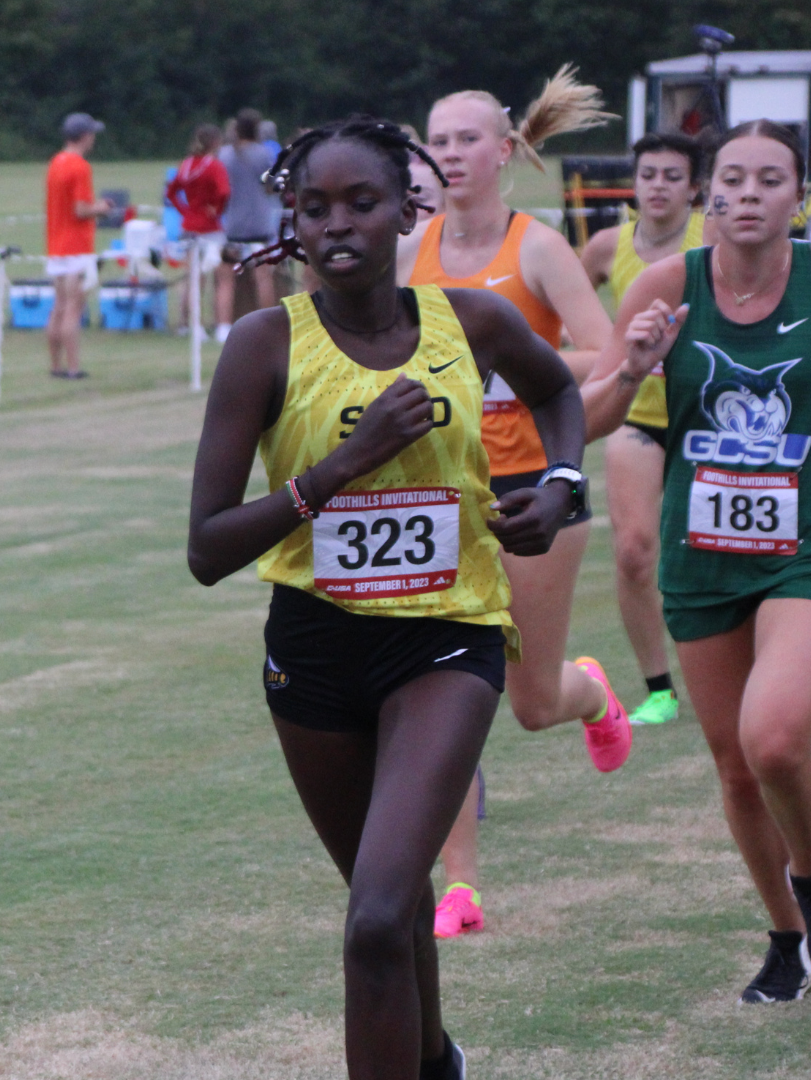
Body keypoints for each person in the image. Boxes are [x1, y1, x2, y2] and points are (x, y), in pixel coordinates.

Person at [188, 116, 586, 1080]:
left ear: (408, 211)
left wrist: (562, 488)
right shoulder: (262, 343)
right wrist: (345, 465)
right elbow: (206, 549)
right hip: (315, 653)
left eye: (360, 203)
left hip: (446, 641)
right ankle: (436, 1062)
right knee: (395, 910)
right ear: (290, 222)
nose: (337, 226)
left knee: (374, 921)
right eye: (314, 207)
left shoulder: (470, 324)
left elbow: (560, 394)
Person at [584, 121, 811, 1002]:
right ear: (708, 195)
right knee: (735, 766)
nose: (748, 194)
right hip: (702, 553)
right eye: (733, 180)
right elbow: (595, 415)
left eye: (770, 179)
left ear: (798, 196)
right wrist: (635, 363)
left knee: (777, 738)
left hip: (800, 551)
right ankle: (787, 941)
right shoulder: (669, 282)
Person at [401, 69, 626, 940]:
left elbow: (604, 362)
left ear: (504, 151)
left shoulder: (536, 247)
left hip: (536, 491)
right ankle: (460, 886)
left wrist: (509, 360)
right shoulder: (406, 248)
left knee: (530, 703)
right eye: (438, 140)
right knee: (437, 687)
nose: (450, 154)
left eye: (466, 140)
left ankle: (592, 694)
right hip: (437, 494)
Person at [578, 133, 711, 728]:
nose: (658, 185)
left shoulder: (712, 237)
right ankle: (659, 689)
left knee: (715, 554)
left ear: (695, 188)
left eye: (672, 175)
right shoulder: (605, 246)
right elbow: (577, 335)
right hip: (637, 417)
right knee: (634, 552)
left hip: (707, 419)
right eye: (648, 174)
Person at [45, 112, 111, 379]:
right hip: (77, 247)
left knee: (59, 307)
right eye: (92, 133)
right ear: (84, 136)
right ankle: (73, 368)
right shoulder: (80, 166)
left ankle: (55, 365)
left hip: (56, 245)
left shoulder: (56, 162)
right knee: (74, 308)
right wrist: (102, 208)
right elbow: (81, 209)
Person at [167, 123, 231, 340]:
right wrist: (217, 210)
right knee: (223, 279)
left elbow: (172, 191)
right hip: (211, 228)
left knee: (195, 279)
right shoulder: (214, 165)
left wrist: (184, 211)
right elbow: (224, 191)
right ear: (215, 143)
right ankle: (223, 326)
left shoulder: (185, 164)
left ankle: (196, 327)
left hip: (189, 226)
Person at [220, 109, 282, 319]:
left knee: (227, 279)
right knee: (263, 276)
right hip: (259, 223)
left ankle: (223, 325)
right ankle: (267, 319)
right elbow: (271, 186)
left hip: (233, 223)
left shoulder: (225, 154)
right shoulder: (263, 154)